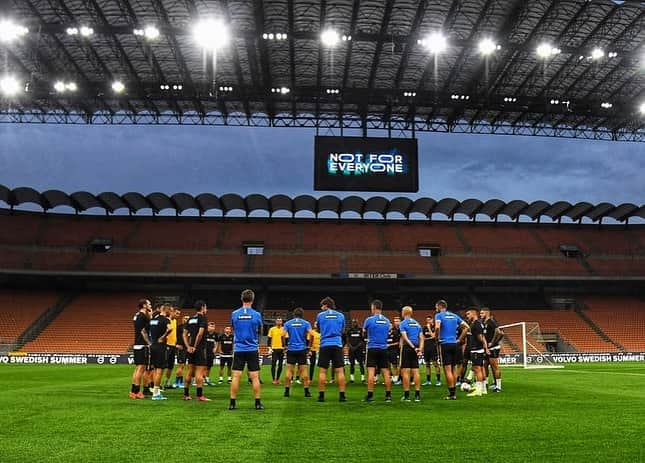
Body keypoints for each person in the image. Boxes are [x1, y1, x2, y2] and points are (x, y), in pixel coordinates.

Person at [230, 289, 264, 410]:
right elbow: (259, 330)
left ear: (241, 299)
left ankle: (232, 403)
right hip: (252, 348)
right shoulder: (257, 315)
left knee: (236, 376)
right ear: (252, 300)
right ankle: (257, 403)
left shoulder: (234, 314)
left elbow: (233, 328)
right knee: (255, 377)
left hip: (239, 348)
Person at [434, 299, 469, 400]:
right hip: (455, 344)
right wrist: (459, 339)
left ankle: (451, 394)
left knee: (447, 370)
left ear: (440, 306)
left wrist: (437, 338)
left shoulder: (439, 315)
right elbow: (466, 327)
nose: (435, 309)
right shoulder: (454, 316)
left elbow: (437, 327)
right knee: (453, 369)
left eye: (436, 307)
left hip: (445, 344)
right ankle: (453, 393)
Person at [315, 296, 347, 402]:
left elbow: (318, 329)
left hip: (325, 344)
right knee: (340, 371)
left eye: (322, 306)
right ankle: (342, 396)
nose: (321, 308)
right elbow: (343, 330)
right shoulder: (341, 315)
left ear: (326, 305)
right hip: (337, 344)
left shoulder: (320, 315)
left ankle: (321, 396)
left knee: (323, 371)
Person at [362, 300, 392, 403]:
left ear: (374, 307)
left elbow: (364, 332)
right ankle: (388, 396)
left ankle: (370, 396)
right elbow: (388, 332)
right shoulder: (387, 321)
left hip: (372, 347)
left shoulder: (369, 320)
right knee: (386, 372)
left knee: (371, 371)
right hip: (383, 348)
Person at [182, 300, 210, 402]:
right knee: (199, 372)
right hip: (199, 348)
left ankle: (186, 394)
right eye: (205, 307)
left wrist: (188, 346)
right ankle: (199, 395)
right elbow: (200, 334)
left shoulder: (190, 319)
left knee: (190, 371)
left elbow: (184, 334)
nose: (206, 309)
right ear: (202, 307)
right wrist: (194, 346)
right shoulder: (202, 318)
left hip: (190, 349)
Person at [282, 307, 313, 398]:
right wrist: (309, 346)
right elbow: (311, 334)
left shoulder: (288, 323)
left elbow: (282, 335)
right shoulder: (306, 323)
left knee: (289, 371)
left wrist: (285, 345)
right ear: (302, 315)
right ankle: (306, 391)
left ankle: (287, 391)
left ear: (294, 314)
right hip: (302, 349)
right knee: (303, 371)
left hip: (291, 349)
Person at [399, 306, 424, 402]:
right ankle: (417, 395)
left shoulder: (403, 323)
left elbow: (405, 337)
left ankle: (407, 395)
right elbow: (421, 338)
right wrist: (420, 349)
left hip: (408, 348)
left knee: (405, 372)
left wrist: (413, 347)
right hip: (417, 348)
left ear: (404, 312)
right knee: (416, 371)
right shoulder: (417, 324)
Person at [148, 304, 172, 400]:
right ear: (166, 309)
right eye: (170, 310)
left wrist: (150, 342)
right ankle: (156, 393)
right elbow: (170, 328)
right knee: (159, 370)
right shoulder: (165, 319)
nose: (170, 312)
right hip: (160, 346)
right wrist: (163, 336)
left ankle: (155, 391)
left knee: (154, 369)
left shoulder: (153, 320)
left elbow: (144, 331)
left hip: (153, 345)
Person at [130, 299, 152, 399]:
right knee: (141, 368)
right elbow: (143, 331)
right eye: (149, 304)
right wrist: (149, 343)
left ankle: (133, 391)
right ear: (144, 305)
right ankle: (137, 392)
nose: (150, 306)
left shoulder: (136, 315)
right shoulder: (143, 317)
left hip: (136, 344)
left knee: (137, 368)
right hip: (142, 345)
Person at [465, 308, 489, 397]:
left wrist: (484, 346)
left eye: (468, 314)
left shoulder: (476, 324)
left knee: (477, 369)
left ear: (473, 314)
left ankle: (478, 391)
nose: (467, 316)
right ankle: (483, 389)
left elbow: (480, 337)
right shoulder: (478, 323)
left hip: (476, 349)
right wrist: (485, 348)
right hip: (479, 349)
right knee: (481, 369)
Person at [480, 307, 504, 392]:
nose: (480, 314)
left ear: (487, 313)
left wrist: (493, 342)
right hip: (486, 348)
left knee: (495, 367)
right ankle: (485, 383)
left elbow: (499, 332)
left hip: (493, 348)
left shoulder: (491, 322)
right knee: (485, 365)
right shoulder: (484, 322)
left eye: (482, 313)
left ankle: (498, 386)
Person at [422, 316, 441, 387]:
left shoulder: (435, 327)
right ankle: (428, 381)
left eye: (429, 320)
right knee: (427, 364)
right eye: (427, 320)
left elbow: (434, 336)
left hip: (433, 347)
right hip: (426, 348)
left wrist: (429, 328)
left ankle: (438, 380)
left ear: (432, 320)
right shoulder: (424, 328)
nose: (428, 321)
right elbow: (423, 337)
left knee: (435, 364)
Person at [162, 305, 178, 390]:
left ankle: (167, 382)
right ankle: (158, 383)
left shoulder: (175, 321)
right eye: (176, 313)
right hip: (166, 345)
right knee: (162, 365)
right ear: (172, 312)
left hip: (173, 346)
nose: (177, 315)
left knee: (170, 366)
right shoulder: (166, 321)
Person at [346, 318, 366, 384]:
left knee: (361, 364)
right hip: (351, 349)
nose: (354, 323)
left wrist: (356, 347)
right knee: (352, 364)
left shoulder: (360, 330)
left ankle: (363, 378)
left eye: (355, 322)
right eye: (353, 322)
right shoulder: (349, 330)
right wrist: (351, 347)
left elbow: (362, 340)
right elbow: (347, 340)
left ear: (357, 323)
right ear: (352, 323)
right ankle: (352, 378)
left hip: (359, 350)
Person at [267, 318, 286, 385]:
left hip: (281, 349)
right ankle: (273, 379)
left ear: (282, 322)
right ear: (275, 321)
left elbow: (286, 339)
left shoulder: (284, 329)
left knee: (280, 365)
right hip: (274, 349)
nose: (279, 322)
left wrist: (285, 348)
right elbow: (269, 339)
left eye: (280, 320)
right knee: (273, 364)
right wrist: (269, 348)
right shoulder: (272, 329)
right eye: (278, 320)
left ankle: (277, 379)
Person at [173, 313, 188, 388]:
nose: (186, 320)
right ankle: (177, 382)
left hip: (187, 348)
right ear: (182, 319)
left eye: (188, 319)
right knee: (181, 365)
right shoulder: (178, 327)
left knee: (184, 366)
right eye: (185, 318)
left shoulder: (190, 328)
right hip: (181, 348)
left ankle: (181, 381)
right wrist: (176, 345)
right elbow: (173, 336)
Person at [387, 317, 401, 385]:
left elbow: (398, 342)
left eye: (397, 321)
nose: (396, 322)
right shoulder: (385, 333)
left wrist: (389, 345)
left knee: (396, 365)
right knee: (387, 365)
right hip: (387, 351)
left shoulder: (396, 332)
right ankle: (391, 377)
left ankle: (397, 378)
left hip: (395, 350)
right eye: (395, 321)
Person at [204, 322, 217, 386]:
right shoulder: (204, 333)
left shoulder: (215, 334)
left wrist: (215, 348)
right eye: (211, 326)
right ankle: (199, 379)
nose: (212, 328)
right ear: (207, 327)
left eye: (213, 327)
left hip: (211, 353)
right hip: (204, 352)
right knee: (203, 366)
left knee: (209, 366)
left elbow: (216, 342)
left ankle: (207, 379)